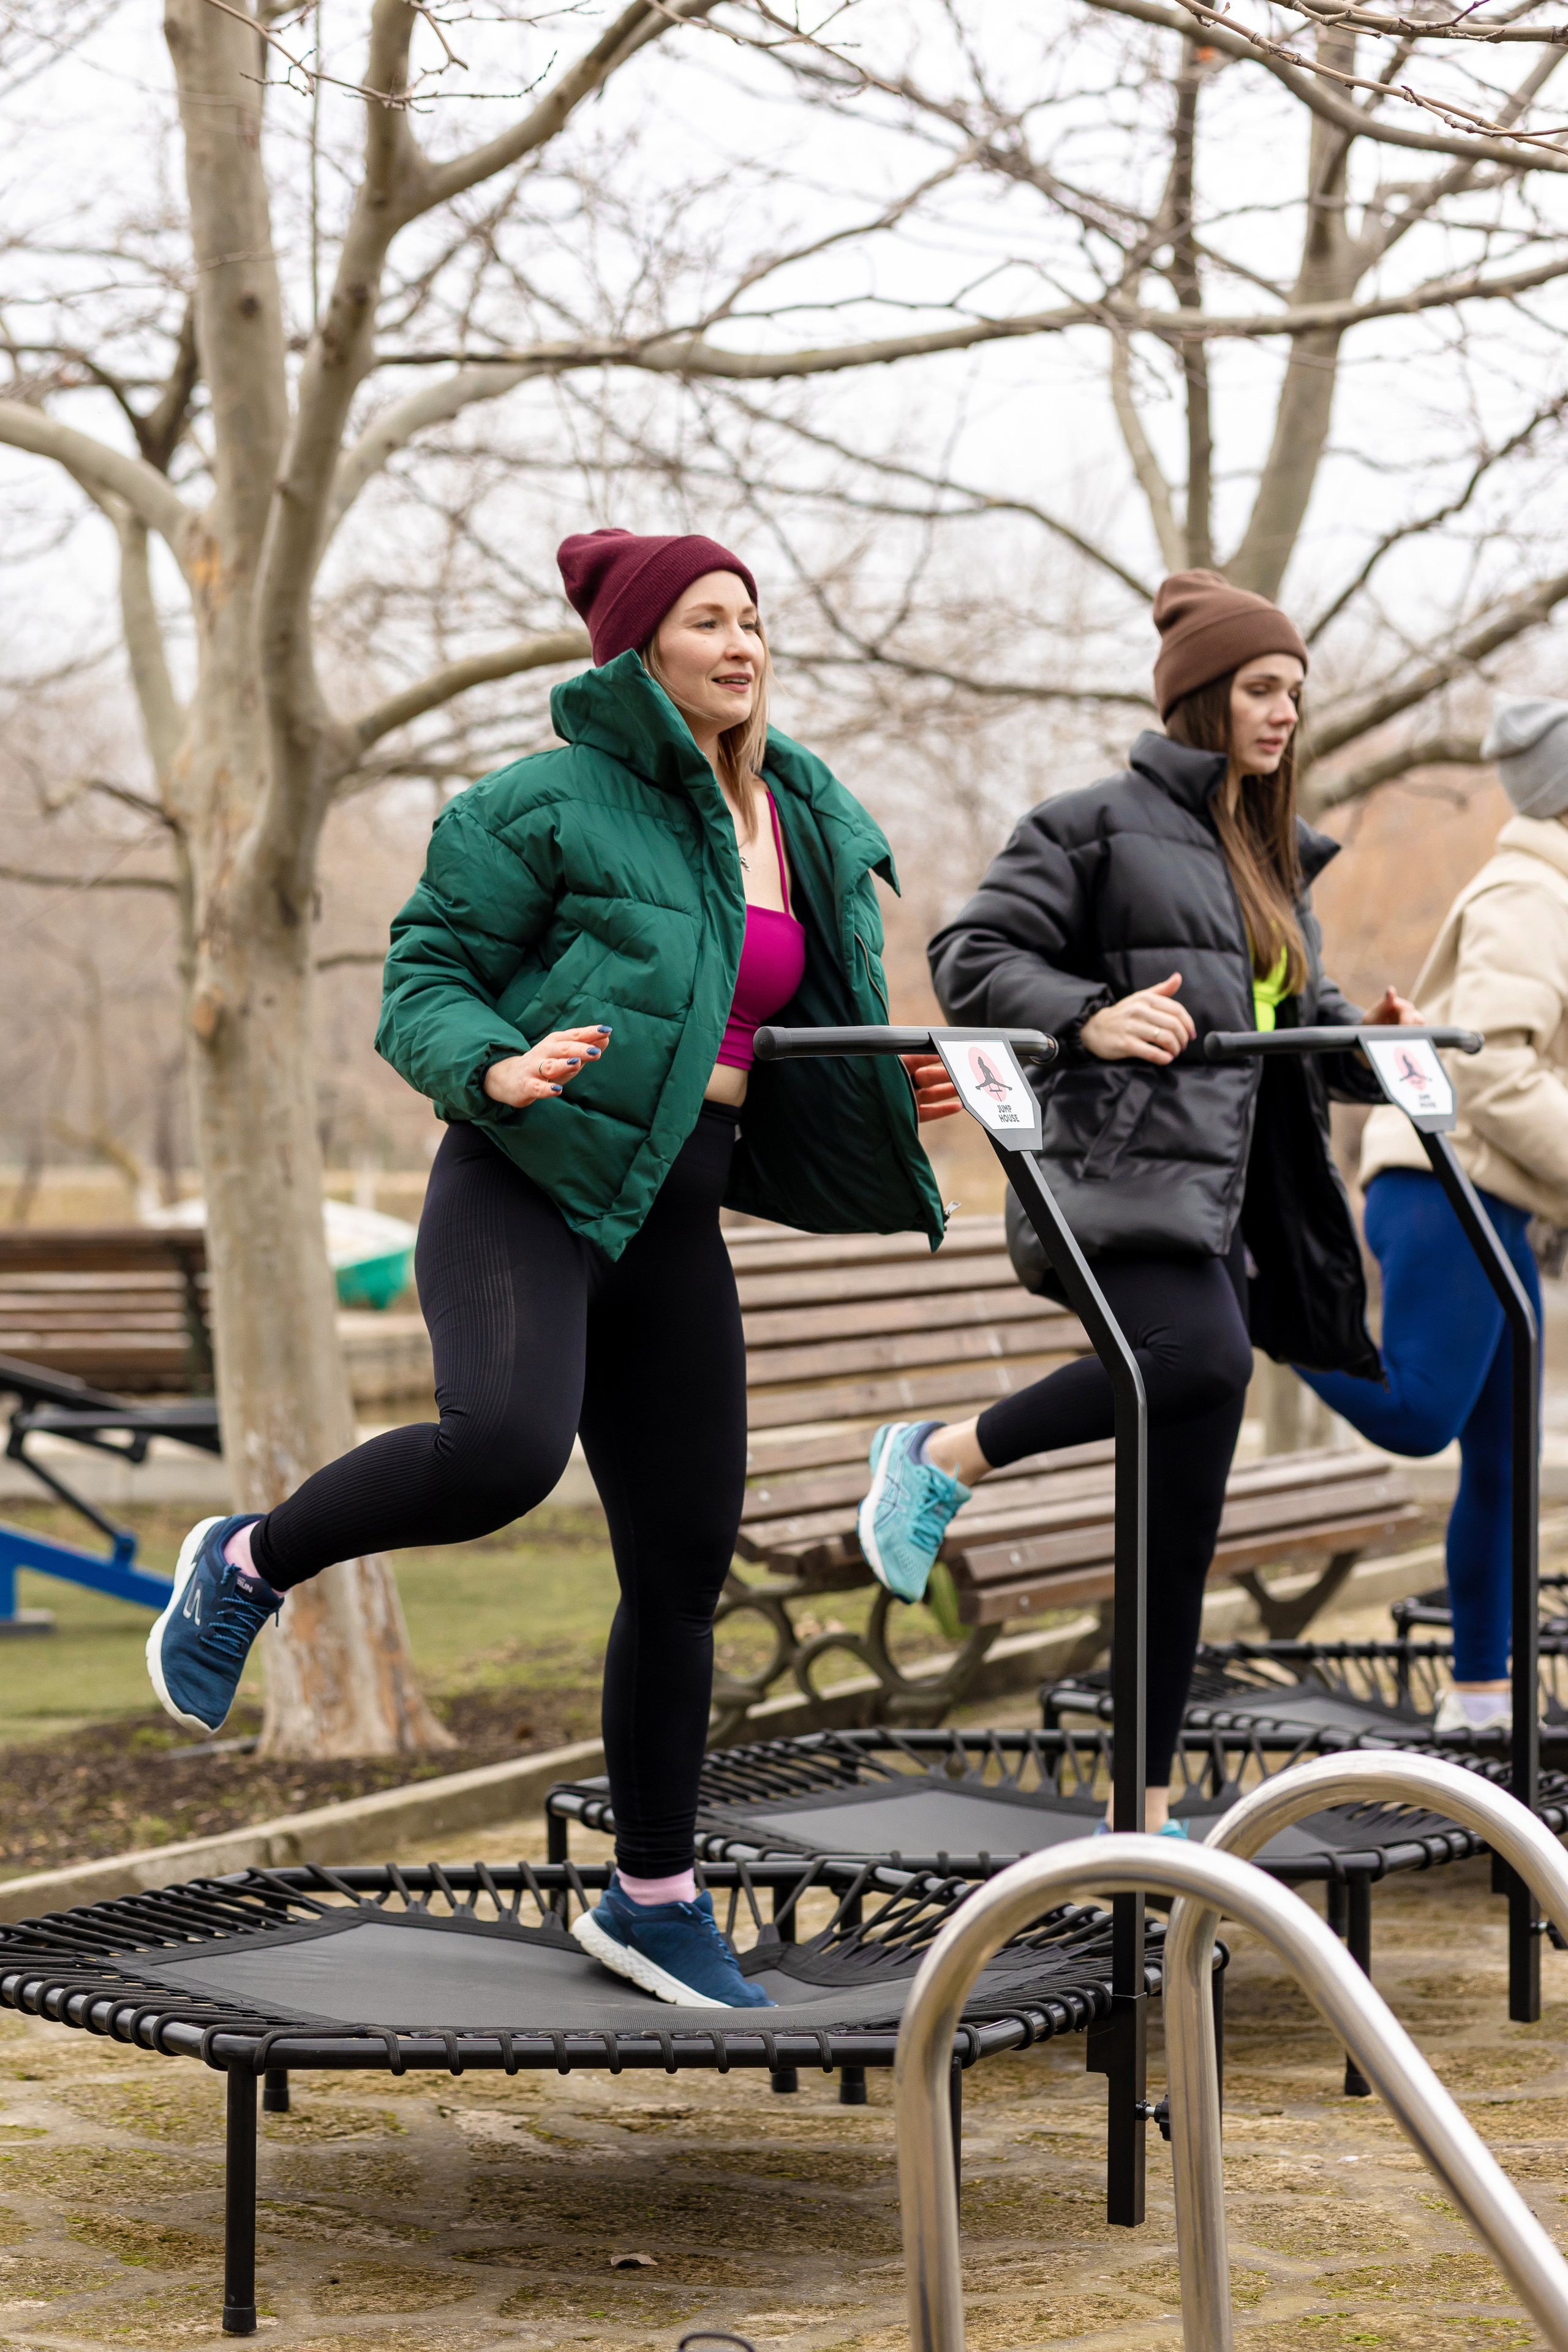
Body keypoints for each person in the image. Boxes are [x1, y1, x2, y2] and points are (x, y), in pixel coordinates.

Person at [145, 527, 957, 2006]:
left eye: (752, 618)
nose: (740, 643)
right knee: (502, 1453)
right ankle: (248, 1561)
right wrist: (496, 1067)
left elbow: (764, 1021)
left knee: (682, 1564)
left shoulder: (797, 810)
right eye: (706, 619)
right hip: (526, 1182)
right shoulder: (541, 802)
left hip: (671, 1214)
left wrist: (885, 1085)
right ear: (637, 649)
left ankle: (652, 1898)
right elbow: (424, 978)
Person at [855, 567, 1420, 1830]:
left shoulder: (1267, 855)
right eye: (1262, 689)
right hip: (1124, 1179)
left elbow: (1286, 1020)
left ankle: (1142, 1818)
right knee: (1201, 1357)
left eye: (1294, 692)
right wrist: (1090, 1016)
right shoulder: (1092, 826)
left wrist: (1369, 1042)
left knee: (1178, 1529)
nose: (1284, 714)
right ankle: (937, 1456)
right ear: (1200, 699)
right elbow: (969, 955)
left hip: (1231, 1206)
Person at [1297, 695, 1568, 1736]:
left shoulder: (1551, 891)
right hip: (1446, 1183)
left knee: (1504, 1461)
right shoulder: (1528, 897)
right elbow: (1492, 1069)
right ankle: (1265, 1309)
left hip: (1491, 1191)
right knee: (1419, 1417)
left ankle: (1481, 1700)